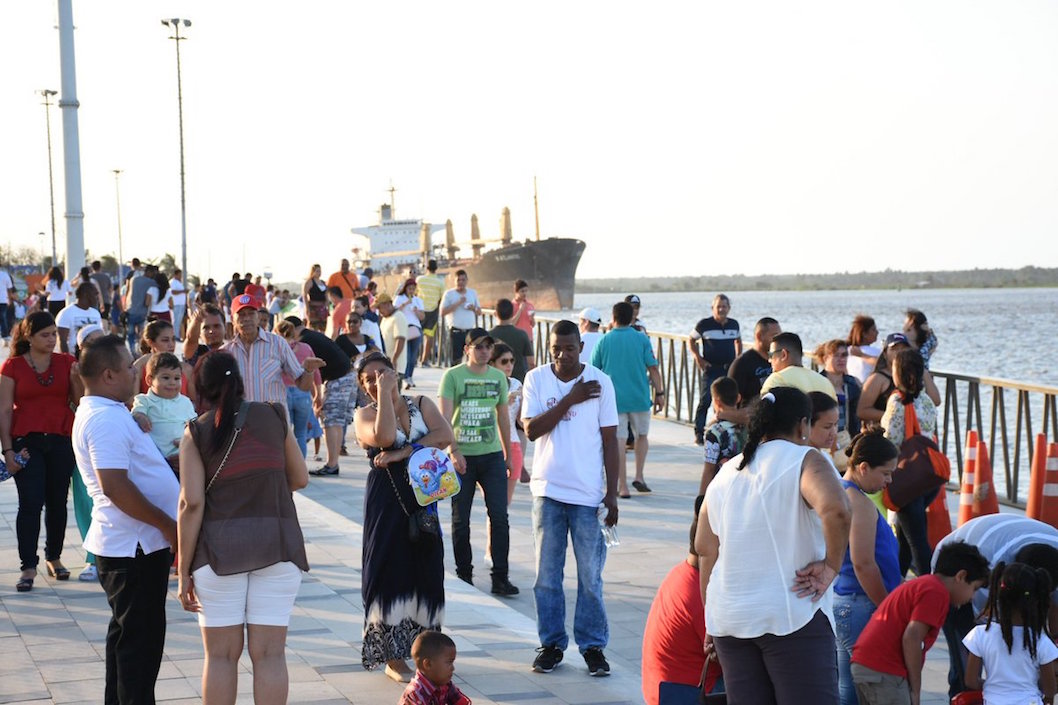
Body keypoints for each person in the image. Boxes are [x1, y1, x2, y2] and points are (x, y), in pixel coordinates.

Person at [695, 386, 851, 704]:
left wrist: (711, 616)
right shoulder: (805, 459)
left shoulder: (727, 472)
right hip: (790, 616)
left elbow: (705, 548)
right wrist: (831, 566)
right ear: (802, 425)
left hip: (730, 619)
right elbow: (836, 509)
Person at [177, 350, 309, 705]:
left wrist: (182, 571)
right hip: (277, 547)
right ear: (238, 379)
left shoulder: (195, 432)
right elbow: (299, 478)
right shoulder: (275, 415)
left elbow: (191, 504)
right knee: (270, 655)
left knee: (220, 657)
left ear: (200, 387)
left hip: (218, 555)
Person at [73, 334, 180, 704]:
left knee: (126, 641)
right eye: (128, 369)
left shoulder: (111, 411)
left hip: (132, 545)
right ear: (107, 375)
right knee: (139, 650)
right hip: (132, 547)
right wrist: (167, 525)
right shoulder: (104, 419)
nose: (136, 375)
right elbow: (115, 487)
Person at [522, 320, 620, 677]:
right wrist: (571, 398)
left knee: (590, 577)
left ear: (581, 345)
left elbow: (611, 440)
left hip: (588, 495)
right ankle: (551, 645)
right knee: (547, 576)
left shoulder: (601, 382)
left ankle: (593, 647)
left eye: (569, 348)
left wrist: (612, 494)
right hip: (547, 492)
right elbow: (531, 430)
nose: (562, 355)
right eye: (556, 349)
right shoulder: (536, 379)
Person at [353, 352, 454, 682]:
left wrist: (405, 451)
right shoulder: (364, 414)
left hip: (424, 498)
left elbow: (444, 435)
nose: (376, 380)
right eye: (368, 378)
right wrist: (383, 395)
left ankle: (427, 651)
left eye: (382, 374)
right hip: (387, 499)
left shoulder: (421, 403)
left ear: (395, 373)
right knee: (389, 568)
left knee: (427, 567)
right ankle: (393, 656)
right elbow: (382, 437)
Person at [932, 514, 1058, 698]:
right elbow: (986, 627)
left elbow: (973, 679)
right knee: (962, 663)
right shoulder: (986, 575)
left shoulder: (1053, 562)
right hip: (955, 567)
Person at [0, 310, 82, 592]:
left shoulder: (67, 362)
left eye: (53, 334)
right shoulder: (12, 366)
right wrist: (7, 450)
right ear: (29, 337)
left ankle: (54, 557)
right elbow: (4, 410)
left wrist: (76, 377)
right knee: (30, 503)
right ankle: (28, 566)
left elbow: (79, 400)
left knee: (58, 502)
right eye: (44, 335)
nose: (51, 340)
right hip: (26, 443)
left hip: (61, 440)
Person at [850, 542, 989, 705]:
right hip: (884, 670)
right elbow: (912, 637)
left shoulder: (926, 584)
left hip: (868, 665)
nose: (972, 597)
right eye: (974, 588)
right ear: (961, 576)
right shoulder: (937, 593)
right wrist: (915, 689)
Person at [439, 327, 517, 596]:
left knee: (499, 516)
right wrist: (454, 450)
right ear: (467, 349)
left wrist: (508, 455)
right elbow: (444, 419)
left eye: (488, 347)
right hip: (462, 458)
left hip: (492, 456)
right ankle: (464, 574)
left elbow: (503, 418)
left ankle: (500, 577)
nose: (484, 351)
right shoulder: (453, 376)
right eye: (479, 346)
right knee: (460, 519)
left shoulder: (498, 377)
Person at [833, 431, 901, 705]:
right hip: (861, 603)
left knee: (847, 683)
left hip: (847, 602)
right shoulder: (858, 503)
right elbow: (863, 563)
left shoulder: (839, 490)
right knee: (861, 689)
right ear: (863, 467)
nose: (889, 481)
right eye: (885, 473)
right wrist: (887, 607)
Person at [641, 503, 723, 705]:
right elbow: (731, 658)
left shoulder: (682, 572)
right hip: (682, 693)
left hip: (661, 688)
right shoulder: (700, 594)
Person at [591, 301, 665, 497]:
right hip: (639, 397)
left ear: (613, 318)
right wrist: (660, 393)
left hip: (614, 400)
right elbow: (653, 368)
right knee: (642, 436)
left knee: (619, 442)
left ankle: (621, 486)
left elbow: (594, 370)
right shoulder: (641, 339)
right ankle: (639, 476)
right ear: (631, 318)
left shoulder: (603, 341)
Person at [964, 561, 1058, 705]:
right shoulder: (1040, 641)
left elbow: (970, 681)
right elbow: (1050, 689)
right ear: (1034, 601)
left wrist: (995, 687)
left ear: (998, 595)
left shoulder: (980, 634)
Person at [882, 348, 938, 579]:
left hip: (906, 480)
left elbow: (890, 442)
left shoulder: (897, 401)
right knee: (906, 539)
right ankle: (897, 584)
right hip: (927, 477)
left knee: (916, 542)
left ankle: (929, 585)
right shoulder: (926, 400)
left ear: (899, 373)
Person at [221, 293, 323, 409]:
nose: (247, 318)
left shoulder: (278, 344)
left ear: (257, 317)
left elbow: (303, 385)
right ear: (233, 319)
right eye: (241, 314)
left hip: (273, 422)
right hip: (239, 423)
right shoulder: (226, 352)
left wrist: (308, 371)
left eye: (251, 313)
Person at [291, 318, 357, 477]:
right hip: (348, 376)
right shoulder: (312, 336)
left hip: (338, 379)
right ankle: (333, 463)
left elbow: (312, 371)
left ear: (294, 329)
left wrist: (317, 397)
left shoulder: (305, 342)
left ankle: (332, 464)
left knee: (331, 422)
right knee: (337, 422)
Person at [72, 324, 105, 582]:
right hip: (83, 434)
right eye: (92, 342)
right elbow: (78, 400)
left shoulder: (116, 366)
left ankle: (106, 553)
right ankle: (91, 557)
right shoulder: (75, 370)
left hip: (109, 435)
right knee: (85, 498)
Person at [857, 333, 941, 430]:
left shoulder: (914, 376)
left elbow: (935, 401)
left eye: (903, 349)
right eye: (894, 349)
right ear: (885, 353)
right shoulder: (877, 379)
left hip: (912, 432)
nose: (899, 353)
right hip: (884, 433)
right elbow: (862, 411)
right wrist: (895, 415)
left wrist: (923, 371)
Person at [131, 352, 197, 469]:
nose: (172, 382)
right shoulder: (144, 400)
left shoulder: (186, 402)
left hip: (183, 457)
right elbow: (137, 413)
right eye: (166, 378)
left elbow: (195, 427)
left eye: (177, 378)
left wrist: (188, 442)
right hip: (155, 460)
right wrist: (140, 416)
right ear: (150, 380)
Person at [691, 294, 742, 445]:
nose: (721, 309)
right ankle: (699, 432)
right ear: (713, 308)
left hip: (729, 368)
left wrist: (738, 358)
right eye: (718, 306)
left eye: (724, 306)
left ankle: (727, 429)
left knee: (730, 400)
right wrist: (698, 358)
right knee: (706, 400)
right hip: (711, 368)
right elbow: (691, 340)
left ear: (729, 308)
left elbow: (738, 340)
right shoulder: (704, 324)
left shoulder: (734, 324)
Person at [274, 319, 323, 458]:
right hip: (302, 392)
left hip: (283, 394)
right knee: (301, 434)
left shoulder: (277, 348)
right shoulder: (306, 348)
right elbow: (316, 372)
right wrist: (317, 394)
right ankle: (301, 466)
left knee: (286, 434)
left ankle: (288, 467)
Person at [726, 317, 781, 423]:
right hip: (751, 421)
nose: (778, 340)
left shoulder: (779, 361)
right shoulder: (742, 364)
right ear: (759, 336)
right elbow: (731, 402)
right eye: (774, 336)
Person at [490, 343, 524, 504]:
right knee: (494, 504)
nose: (509, 365)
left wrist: (526, 405)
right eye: (504, 362)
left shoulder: (516, 384)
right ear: (492, 363)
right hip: (491, 445)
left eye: (512, 361)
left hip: (513, 445)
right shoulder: (487, 384)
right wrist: (503, 404)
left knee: (504, 505)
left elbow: (521, 423)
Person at [697, 376, 743, 497]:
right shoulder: (749, 427)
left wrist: (701, 499)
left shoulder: (714, 432)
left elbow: (709, 469)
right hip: (745, 489)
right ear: (738, 398)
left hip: (722, 491)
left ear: (716, 402)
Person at [399, 630, 472, 705]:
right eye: (449, 662)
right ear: (428, 664)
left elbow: (461, 702)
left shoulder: (445, 683)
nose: (453, 668)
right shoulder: (416, 694)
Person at [760, 332, 838, 400]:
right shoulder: (825, 382)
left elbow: (764, 413)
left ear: (784, 354)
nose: (769, 360)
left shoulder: (777, 380)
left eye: (771, 355)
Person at [817, 339, 863, 453]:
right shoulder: (817, 382)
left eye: (844, 355)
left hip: (849, 439)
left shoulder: (853, 383)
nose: (841, 359)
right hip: (823, 439)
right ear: (825, 358)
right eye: (836, 355)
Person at [440, 269, 480, 366]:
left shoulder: (472, 293)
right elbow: (442, 312)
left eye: (463, 280)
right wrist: (458, 303)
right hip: (456, 331)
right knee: (456, 359)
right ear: (454, 281)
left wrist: (473, 308)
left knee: (471, 358)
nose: (461, 282)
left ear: (467, 280)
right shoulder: (449, 294)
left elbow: (479, 312)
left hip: (470, 331)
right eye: (458, 280)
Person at [488, 298, 534, 382]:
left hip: (495, 380)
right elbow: (531, 362)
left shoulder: (488, 335)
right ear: (513, 313)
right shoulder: (522, 334)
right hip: (519, 380)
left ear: (495, 314)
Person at [55, 282, 102, 355]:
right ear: (85, 294)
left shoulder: (96, 313)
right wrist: (67, 360)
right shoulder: (66, 313)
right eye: (95, 294)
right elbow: (62, 340)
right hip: (73, 357)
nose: (97, 297)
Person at [394, 278, 425, 388]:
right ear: (405, 288)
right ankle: (404, 377)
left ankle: (409, 376)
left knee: (413, 356)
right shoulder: (399, 298)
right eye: (409, 288)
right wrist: (405, 303)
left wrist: (416, 311)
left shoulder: (418, 300)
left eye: (413, 289)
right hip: (403, 328)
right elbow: (394, 311)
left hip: (415, 329)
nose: (411, 291)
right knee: (405, 355)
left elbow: (422, 317)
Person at [416, 260, 446, 368]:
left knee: (416, 335)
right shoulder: (440, 282)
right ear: (436, 268)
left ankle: (414, 359)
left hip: (419, 311)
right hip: (432, 312)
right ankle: (424, 361)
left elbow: (415, 293)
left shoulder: (419, 280)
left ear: (426, 268)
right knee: (429, 337)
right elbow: (442, 298)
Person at [377, 293, 410, 384]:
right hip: (386, 364)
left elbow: (400, 339)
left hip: (395, 366)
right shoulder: (385, 318)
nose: (379, 311)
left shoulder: (398, 317)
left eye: (380, 307)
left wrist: (394, 360)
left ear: (388, 304)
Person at [183, 302, 227, 368]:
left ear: (225, 327)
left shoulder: (233, 350)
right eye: (206, 328)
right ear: (199, 333)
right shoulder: (196, 353)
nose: (211, 331)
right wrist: (196, 321)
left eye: (216, 326)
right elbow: (191, 339)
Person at [124, 263, 154, 354]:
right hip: (142, 312)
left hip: (131, 310)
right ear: (149, 272)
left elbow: (128, 293)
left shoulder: (134, 279)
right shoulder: (150, 282)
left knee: (131, 335)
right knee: (142, 335)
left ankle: (133, 352)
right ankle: (140, 352)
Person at [808, 391, 841, 464]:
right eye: (827, 427)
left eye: (836, 424)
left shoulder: (825, 456)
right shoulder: (805, 461)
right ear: (808, 425)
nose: (834, 432)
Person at [846, 315, 880, 384]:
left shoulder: (847, 350)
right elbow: (884, 363)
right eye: (873, 330)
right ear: (864, 334)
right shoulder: (874, 351)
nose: (877, 332)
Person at [302, 263, 329, 332]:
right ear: (313, 272)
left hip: (322, 307)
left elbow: (326, 295)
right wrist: (307, 308)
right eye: (317, 271)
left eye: (320, 271)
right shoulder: (309, 282)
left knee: (323, 327)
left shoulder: (323, 282)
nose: (319, 273)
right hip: (313, 307)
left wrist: (327, 306)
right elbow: (304, 295)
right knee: (314, 327)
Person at [89, 260, 114, 332]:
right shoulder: (106, 277)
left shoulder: (90, 277)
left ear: (92, 268)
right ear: (100, 267)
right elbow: (111, 289)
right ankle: (105, 333)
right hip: (106, 300)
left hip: (93, 301)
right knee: (104, 318)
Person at [511, 279, 535, 344]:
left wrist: (532, 317)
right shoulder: (511, 305)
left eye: (526, 291)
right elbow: (512, 323)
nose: (525, 293)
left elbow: (532, 325)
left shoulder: (530, 305)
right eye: (522, 291)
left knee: (531, 354)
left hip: (529, 338)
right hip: (516, 339)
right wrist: (520, 310)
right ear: (516, 292)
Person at [0, 260, 16, 344]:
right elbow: (9, 289)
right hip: (3, 300)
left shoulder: (5, 275)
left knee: (2, 318)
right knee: (2, 318)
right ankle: (5, 336)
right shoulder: (5, 275)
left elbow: (9, 288)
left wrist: (9, 299)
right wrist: (9, 299)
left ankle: (5, 336)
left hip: (3, 299)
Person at [169, 268, 187, 340]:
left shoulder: (179, 283)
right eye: (179, 275)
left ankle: (177, 335)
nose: (181, 276)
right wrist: (183, 291)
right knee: (176, 321)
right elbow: (173, 292)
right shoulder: (173, 282)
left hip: (181, 304)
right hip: (176, 304)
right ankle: (175, 336)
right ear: (175, 275)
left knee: (179, 321)